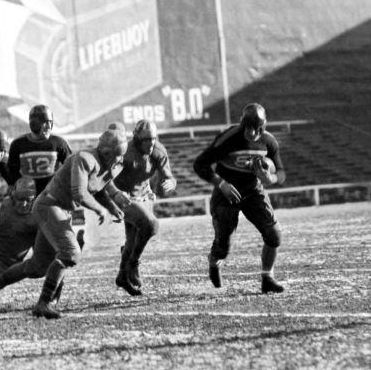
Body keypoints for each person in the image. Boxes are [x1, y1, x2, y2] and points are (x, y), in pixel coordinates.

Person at [0, 126, 127, 319]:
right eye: (116, 155)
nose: (119, 160)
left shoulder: (107, 162)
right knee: (70, 253)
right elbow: (79, 192)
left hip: (61, 209)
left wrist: (113, 207)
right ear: (106, 152)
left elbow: (98, 187)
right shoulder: (84, 159)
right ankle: (44, 303)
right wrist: (100, 209)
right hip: (49, 206)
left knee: (37, 266)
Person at [192, 102, 287, 294]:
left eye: (256, 128)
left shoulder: (269, 142)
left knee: (274, 235)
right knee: (224, 246)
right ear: (242, 124)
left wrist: (270, 178)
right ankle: (214, 260)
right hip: (226, 193)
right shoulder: (228, 139)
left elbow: (282, 174)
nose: (251, 133)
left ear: (264, 126)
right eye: (248, 127)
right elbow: (199, 164)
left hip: (253, 191)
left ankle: (267, 277)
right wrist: (221, 183)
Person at [0, 105, 72, 276]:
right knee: (14, 244)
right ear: (34, 123)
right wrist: (15, 188)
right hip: (25, 205)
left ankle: (54, 289)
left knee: (55, 252)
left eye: (50, 122)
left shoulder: (59, 143)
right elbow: (12, 174)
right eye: (44, 122)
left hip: (50, 203)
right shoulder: (18, 145)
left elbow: (72, 169)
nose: (48, 126)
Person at [111, 120, 178, 296]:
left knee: (133, 239)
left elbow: (169, 176)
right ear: (137, 139)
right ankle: (133, 263)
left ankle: (122, 276)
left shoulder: (158, 151)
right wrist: (113, 197)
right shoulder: (125, 152)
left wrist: (170, 182)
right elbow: (106, 178)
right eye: (146, 140)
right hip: (123, 196)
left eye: (153, 139)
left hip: (143, 195)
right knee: (150, 225)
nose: (150, 144)